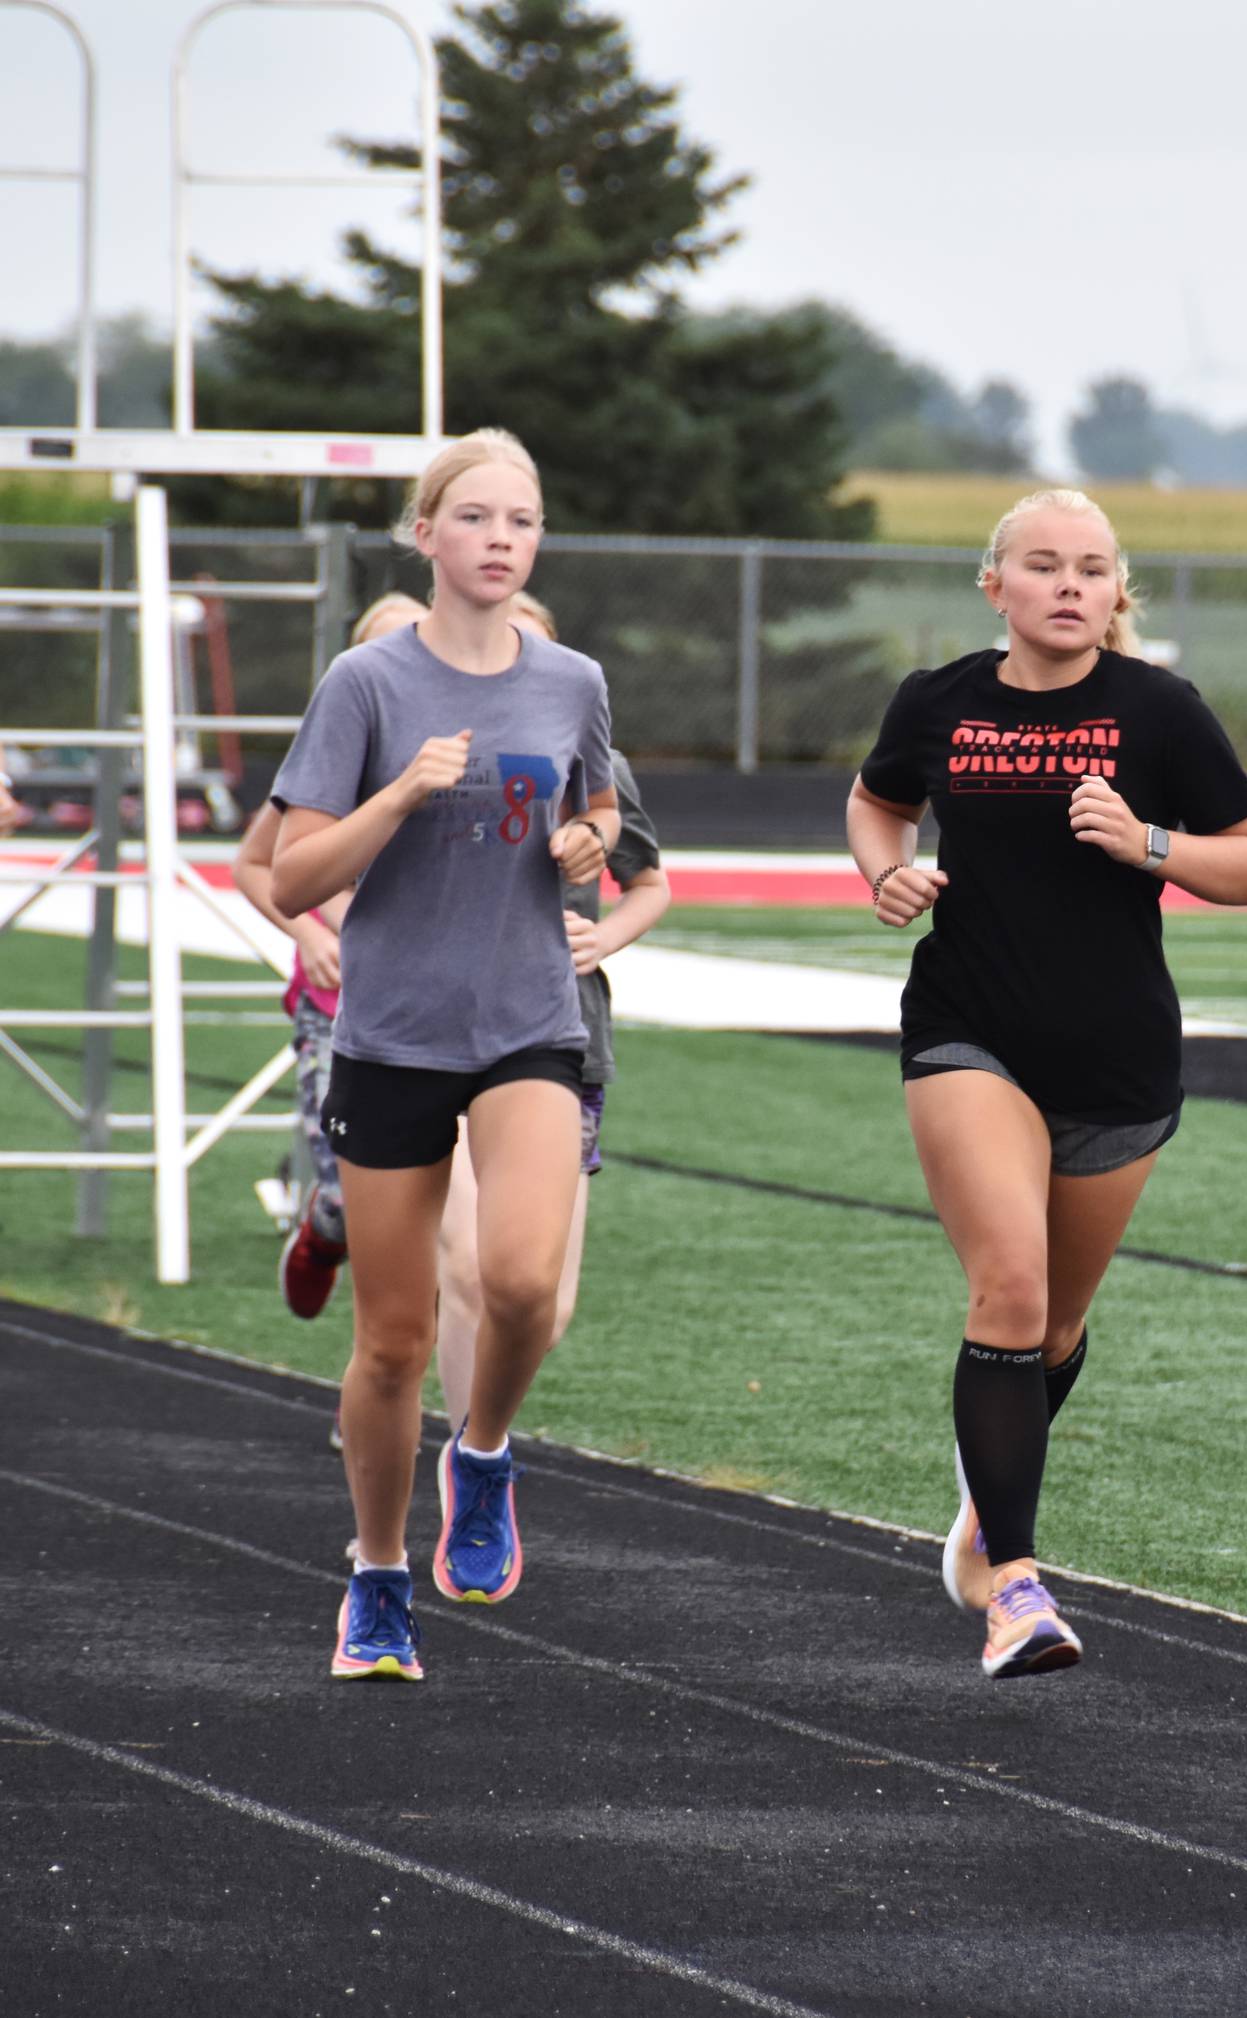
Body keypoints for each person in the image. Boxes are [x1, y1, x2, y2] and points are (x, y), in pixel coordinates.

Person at [846, 488, 1247, 1682]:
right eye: (1045, 564)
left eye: (1094, 567)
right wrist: (886, 874)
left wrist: (1146, 841)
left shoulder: (1159, 711)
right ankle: (1017, 1589)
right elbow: (879, 799)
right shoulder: (939, 700)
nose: (1071, 585)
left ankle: (989, 1503)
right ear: (997, 586)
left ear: (1118, 590)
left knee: (1057, 1326)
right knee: (1011, 1287)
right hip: (966, 1028)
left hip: (1117, 1054)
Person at [269, 428, 620, 1683]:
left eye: (519, 521)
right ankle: (376, 1573)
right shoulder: (368, 683)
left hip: (528, 1021)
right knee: (393, 1343)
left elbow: (597, 803)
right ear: (426, 536)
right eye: (473, 518)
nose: (498, 540)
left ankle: (483, 1457)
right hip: (393, 1037)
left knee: (525, 1286)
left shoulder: (571, 677)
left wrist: (589, 842)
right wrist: (397, 798)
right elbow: (292, 873)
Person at [433, 591, 670, 1426]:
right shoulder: (435, 756)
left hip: (562, 1039)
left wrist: (608, 940)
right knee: (467, 1265)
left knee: (542, 1305)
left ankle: (475, 1436)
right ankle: (466, 1473)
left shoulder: (594, 765)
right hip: (440, 1035)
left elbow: (648, 883)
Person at [233, 594, 429, 1327]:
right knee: (354, 1202)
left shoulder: (459, 756)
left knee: (425, 1224)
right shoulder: (333, 754)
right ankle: (321, 1231)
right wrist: (310, 933)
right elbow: (255, 865)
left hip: (432, 1017)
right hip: (337, 1011)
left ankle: (382, 1401)